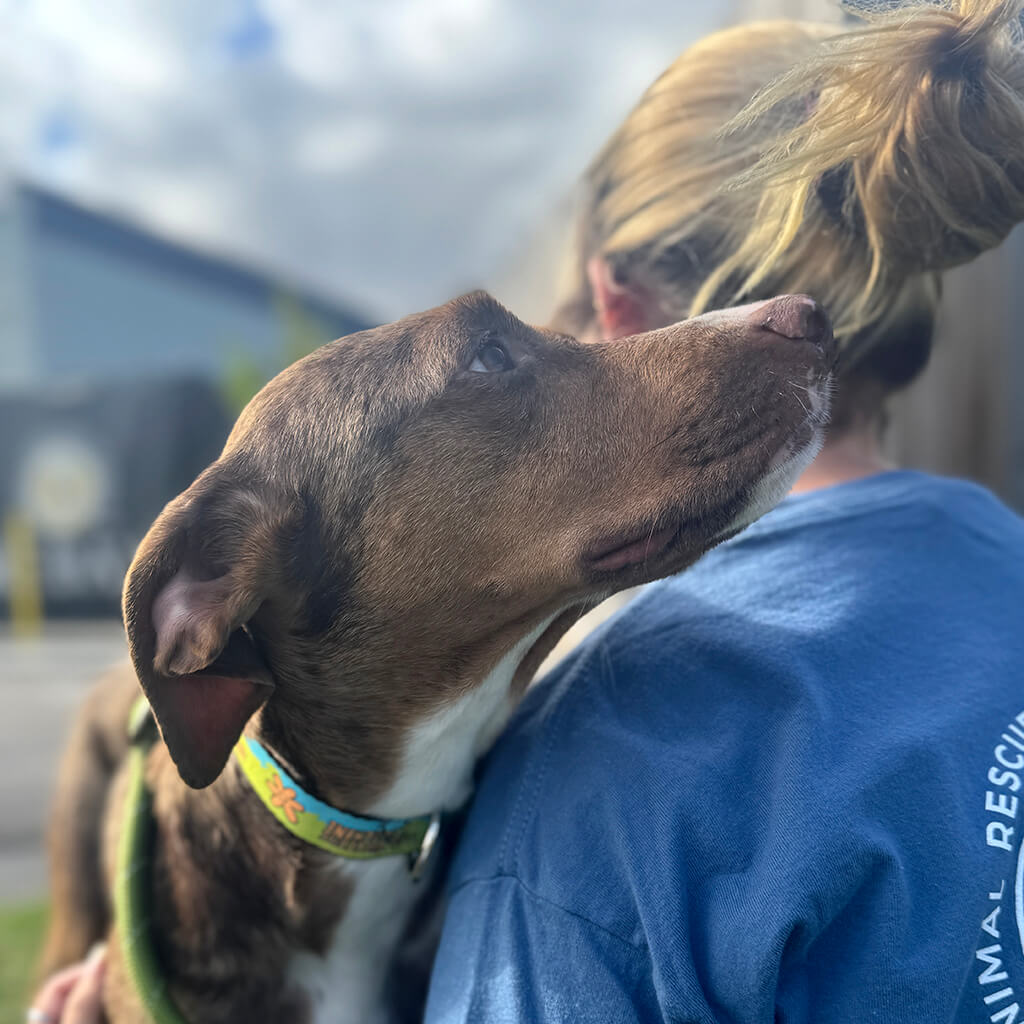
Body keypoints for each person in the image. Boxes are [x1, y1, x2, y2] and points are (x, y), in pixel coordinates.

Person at [30, 0, 1024, 1020]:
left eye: (544, 343)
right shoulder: (997, 561)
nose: (582, 360)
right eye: (496, 358)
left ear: (610, 295)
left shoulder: (593, 805)